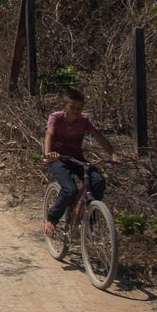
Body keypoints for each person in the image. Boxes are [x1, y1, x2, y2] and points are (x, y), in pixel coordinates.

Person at [43, 87, 114, 240]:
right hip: (58, 159)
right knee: (70, 190)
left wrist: (113, 154)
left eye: (79, 108)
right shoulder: (56, 118)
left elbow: (99, 136)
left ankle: (91, 223)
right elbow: (49, 134)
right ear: (64, 106)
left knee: (97, 182)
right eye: (72, 107)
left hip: (77, 159)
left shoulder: (85, 119)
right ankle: (51, 219)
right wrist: (48, 153)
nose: (76, 111)